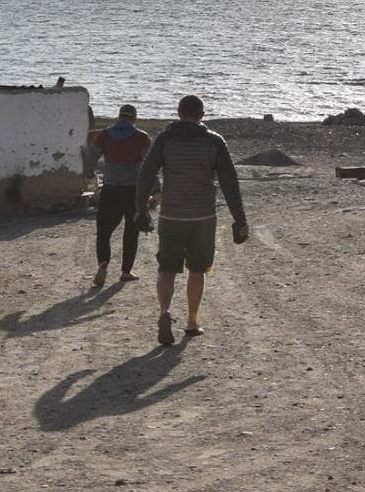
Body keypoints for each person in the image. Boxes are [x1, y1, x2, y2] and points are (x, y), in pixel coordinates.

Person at [135, 94, 248, 345]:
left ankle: (164, 312)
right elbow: (230, 182)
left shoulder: (165, 139)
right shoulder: (214, 141)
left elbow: (146, 174)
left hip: (171, 214)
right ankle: (192, 320)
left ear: (178, 112)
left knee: (166, 268)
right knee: (197, 269)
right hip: (203, 216)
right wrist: (240, 219)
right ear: (202, 115)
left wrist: (140, 209)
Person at [88, 104, 151, 288]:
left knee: (104, 230)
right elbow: (149, 166)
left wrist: (88, 174)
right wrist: (155, 190)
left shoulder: (105, 135)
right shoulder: (141, 137)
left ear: (118, 116)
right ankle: (125, 271)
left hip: (110, 188)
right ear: (134, 118)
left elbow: (91, 157)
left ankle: (103, 263)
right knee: (131, 231)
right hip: (133, 190)